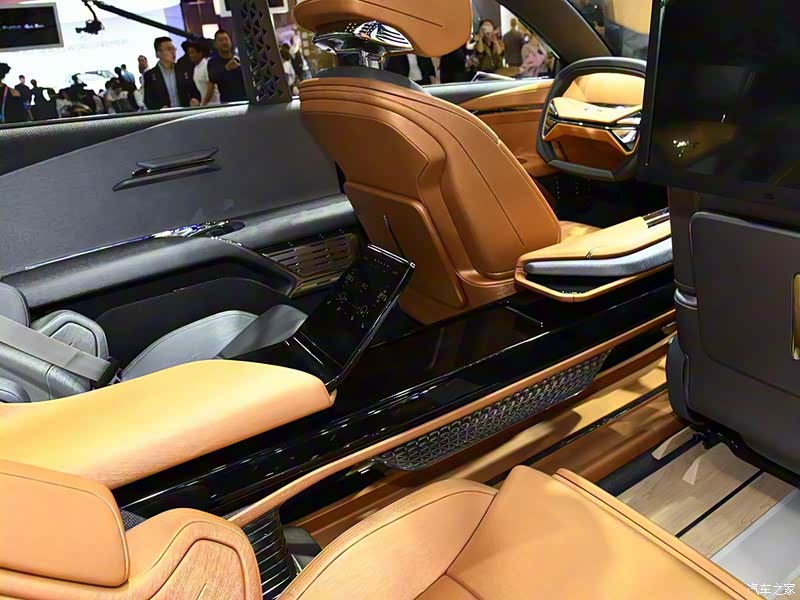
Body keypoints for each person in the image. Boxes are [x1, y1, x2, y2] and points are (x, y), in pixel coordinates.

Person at [143, 36, 200, 110]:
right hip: (164, 115)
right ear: (158, 53)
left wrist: (195, 99)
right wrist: (159, 108)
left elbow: (194, 92)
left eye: (174, 48)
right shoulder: (150, 75)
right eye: (169, 49)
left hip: (185, 113)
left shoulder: (183, 70)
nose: (173, 52)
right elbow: (148, 100)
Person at [207, 29, 247, 103]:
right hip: (227, 102)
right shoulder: (213, 62)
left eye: (226, 39)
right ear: (215, 44)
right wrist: (226, 69)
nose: (224, 42)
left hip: (245, 100)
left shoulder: (239, 58)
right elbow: (213, 79)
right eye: (221, 40)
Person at [186, 39, 220, 105]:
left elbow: (211, 86)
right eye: (189, 53)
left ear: (200, 53)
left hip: (214, 104)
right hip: (204, 104)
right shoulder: (195, 68)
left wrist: (204, 104)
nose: (190, 55)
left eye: (192, 52)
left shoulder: (207, 65)